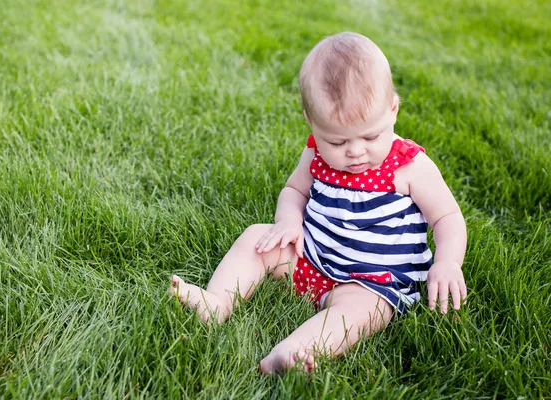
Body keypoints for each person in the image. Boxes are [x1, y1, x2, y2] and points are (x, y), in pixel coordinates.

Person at [169, 32, 467, 375]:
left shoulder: (409, 167)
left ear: (393, 110)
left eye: (370, 136)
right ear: (311, 122)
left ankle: (295, 351)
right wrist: (288, 222)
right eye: (337, 141)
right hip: (312, 259)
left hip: (373, 281)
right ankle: (218, 301)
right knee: (256, 237)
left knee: (363, 312)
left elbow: (447, 217)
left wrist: (446, 263)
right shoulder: (315, 153)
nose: (355, 152)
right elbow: (294, 191)